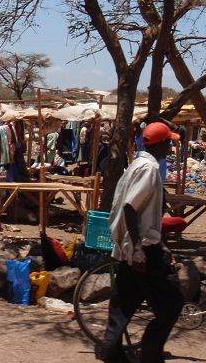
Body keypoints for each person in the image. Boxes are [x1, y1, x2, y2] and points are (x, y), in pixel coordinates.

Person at [98, 122, 184, 363]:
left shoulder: (138, 164)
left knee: (123, 302)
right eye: (169, 143)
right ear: (162, 144)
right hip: (142, 248)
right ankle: (150, 355)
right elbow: (130, 207)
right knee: (171, 304)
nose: (170, 147)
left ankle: (111, 352)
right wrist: (138, 249)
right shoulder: (148, 168)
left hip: (134, 246)